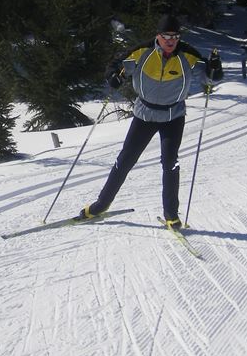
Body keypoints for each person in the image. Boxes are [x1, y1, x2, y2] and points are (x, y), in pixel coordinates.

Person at [78, 14, 222, 229]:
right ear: (158, 36)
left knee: (170, 164)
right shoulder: (142, 52)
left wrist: (215, 68)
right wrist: (113, 76)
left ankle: (171, 215)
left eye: (175, 36)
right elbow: (115, 66)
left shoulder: (189, 56)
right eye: (166, 36)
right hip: (144, 114)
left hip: (173, 117)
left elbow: (210, 78)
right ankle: (101, 205)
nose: (171, 40)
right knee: (125, 161)